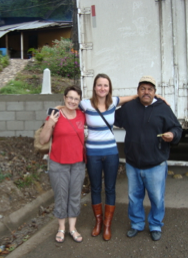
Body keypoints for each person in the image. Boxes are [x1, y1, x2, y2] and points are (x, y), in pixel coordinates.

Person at [114, 75, 182, 241]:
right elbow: (110, 114)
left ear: (155, 92)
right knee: (134, 197)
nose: (146, 92)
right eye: (142, 89)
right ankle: (137, 224)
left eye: (150, 89)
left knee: (157, 197)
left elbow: (177, 128)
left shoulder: (163, 108)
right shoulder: (129, 108)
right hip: (133, 163)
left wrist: (172, 135)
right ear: (137, 91)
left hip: (155, 164)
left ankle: (155, 224)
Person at [78, 73, 140, 241]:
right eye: (99, 85)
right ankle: (98, 223)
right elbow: (68, 105)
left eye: (106, 85)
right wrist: (56, 109)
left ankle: (107, 225)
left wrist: (159, 97)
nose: (102, 88)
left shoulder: (113, 102)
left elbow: (135, 96)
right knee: (96, 188)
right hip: (93, 153)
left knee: (111, 189)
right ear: (94, 87)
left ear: (109, 88)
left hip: (111, 153)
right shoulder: (85, 104)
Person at [39, 86, 86, 243]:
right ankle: (61, 228)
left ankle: (72, 228)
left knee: (74, 195)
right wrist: (50, 123)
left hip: (78, 163)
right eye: (70, 97)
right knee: (61, 196)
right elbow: (42, 140)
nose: (72, 101)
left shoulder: (82, 115)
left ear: (79, 101)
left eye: (76, 99)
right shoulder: (55, 115)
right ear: (65, 98)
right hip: (58, 163)